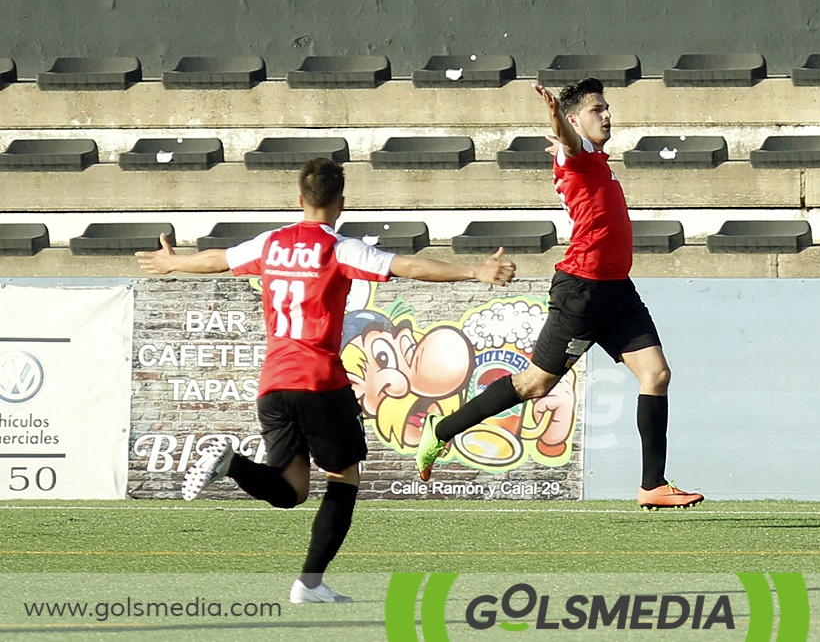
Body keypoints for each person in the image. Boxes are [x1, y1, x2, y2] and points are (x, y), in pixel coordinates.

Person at [136, 157, 515, 603]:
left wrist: (174, 262)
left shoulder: (271, 243)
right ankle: (309, 584)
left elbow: (219, 259)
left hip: (273, 384)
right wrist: (474, 270)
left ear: (299, 200)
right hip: (319, 381)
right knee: (343, 478)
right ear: (341, 203)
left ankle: (232, 465)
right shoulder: (339, 248)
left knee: (292, 491)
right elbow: (407, 266)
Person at [415, 79, 703, 510]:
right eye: (596, 109)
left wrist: (566, 129)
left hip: (617, 292)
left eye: (607, 107)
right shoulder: (578, 154)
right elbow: (570, 143)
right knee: (534, 384)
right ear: (573, 120)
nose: (607, 115)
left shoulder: (598, 160)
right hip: (581, 293)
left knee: (657, 375)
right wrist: (556, 119)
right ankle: (440, 432)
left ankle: (652, 485)